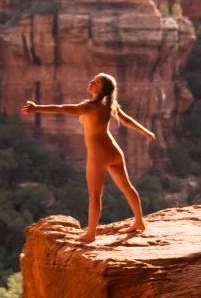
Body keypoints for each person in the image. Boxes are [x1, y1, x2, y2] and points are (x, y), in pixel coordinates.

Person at [21, 73, 154, 243]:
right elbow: (126, 120)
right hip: (114, 151)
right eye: (92, 79)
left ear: (102, 89)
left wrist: (36, 108)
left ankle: (91, 233)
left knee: (95, 196)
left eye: (96, 82)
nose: (91, 81)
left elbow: (61, 108)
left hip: (99, 155)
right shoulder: (109, 105)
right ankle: (139, 221)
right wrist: (145, 132)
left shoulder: (89, 107)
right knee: (127, 187)